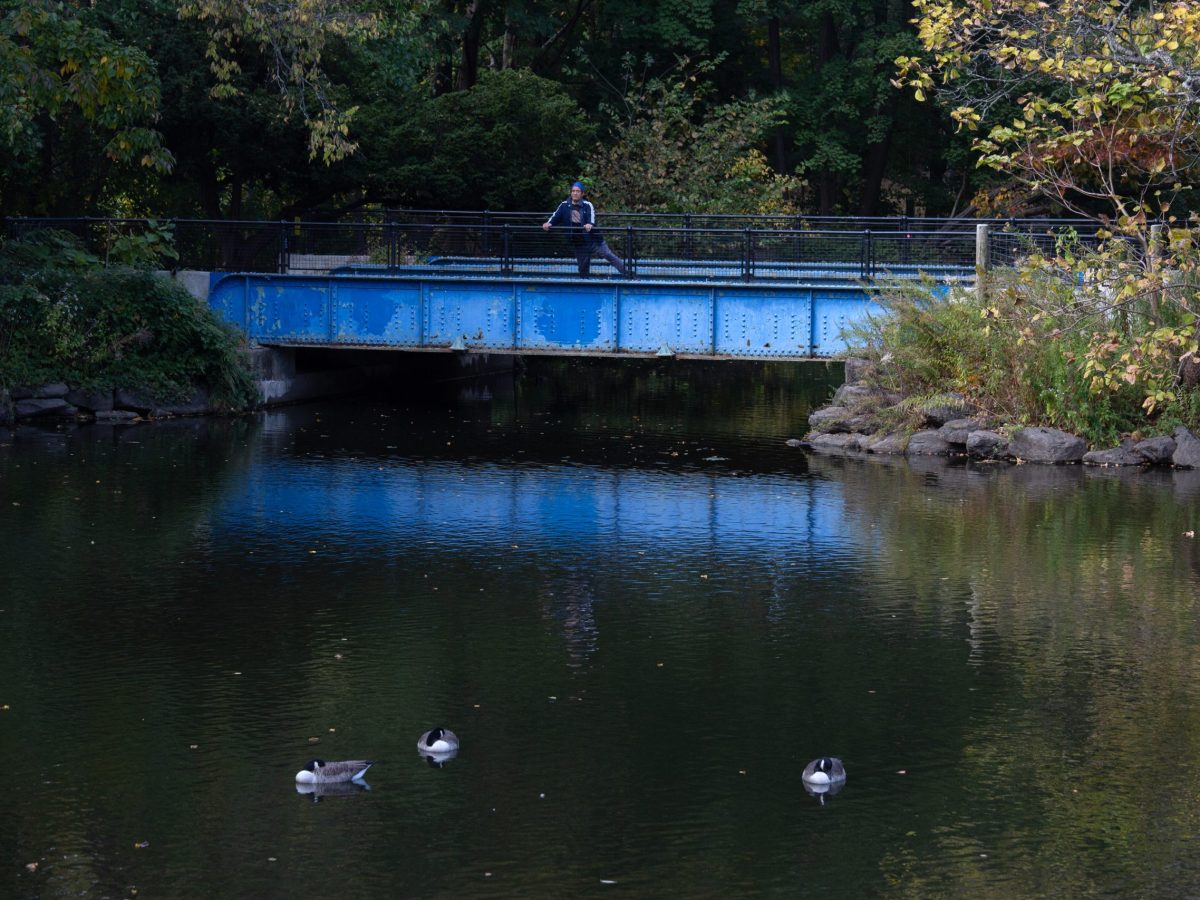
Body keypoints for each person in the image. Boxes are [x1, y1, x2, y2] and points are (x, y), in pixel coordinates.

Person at [542, 181, 628, 276]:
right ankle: (584, 282)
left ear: (582, 193)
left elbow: (592, 218)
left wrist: (590, 224)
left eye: (577, 191)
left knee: (608, 255)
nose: (575, 193)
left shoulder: (587, 205)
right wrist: (548, 223)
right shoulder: (564, 205)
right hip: (579, 242)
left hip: (594, 240)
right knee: (583, 266)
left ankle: (628, 274)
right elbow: (555, 216)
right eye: (573, 191)